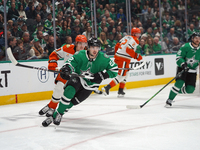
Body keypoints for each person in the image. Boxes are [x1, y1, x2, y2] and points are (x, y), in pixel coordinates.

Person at [42, 37, 118, 127]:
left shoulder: (103, 58)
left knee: (72, 102)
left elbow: (115, 70)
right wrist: (67, 69)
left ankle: (55, 115)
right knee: (69, 91)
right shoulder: (80, 54)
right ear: (89, 47)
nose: (95, 50)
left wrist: (102, 75)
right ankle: (57, 113)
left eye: (97, 48)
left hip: (91, 86)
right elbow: (70, 63)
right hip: (78, 78)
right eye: (93, 47)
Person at [39, 35, 88, 117]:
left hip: (77, 78)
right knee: (59, 88)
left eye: (84, 43)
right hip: (66, 73)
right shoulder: (67, 48)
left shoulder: (88, 54)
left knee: (68, 95)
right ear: (76, 43)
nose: (82, 46)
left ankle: (54, 107)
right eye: (80, 43)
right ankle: (52, 107)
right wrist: (53, 63)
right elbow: (55, 54)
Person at [101, 27, 143, 97]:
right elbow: (128, 50)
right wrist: (137, 56)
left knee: (126, 73)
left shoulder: (126, 37)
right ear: (134, 33)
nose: (139, 35)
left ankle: (120, 90)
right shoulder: (135, 40)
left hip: (119, 57)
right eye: (137, 33)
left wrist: (116, 55)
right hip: (123, 59)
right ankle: (106, 88)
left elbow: (117, 45)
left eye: (139, 33)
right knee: (121, 76)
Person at [165, 33, 200, 107]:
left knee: (190, 90)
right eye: (196, 38)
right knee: (179, 83)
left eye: (199, 38)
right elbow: (179, 57)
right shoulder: (185, 46)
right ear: (192, 39)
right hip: (183, 68)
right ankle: (169, 100)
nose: (198, 40)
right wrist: (183, 64)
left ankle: (176, 91)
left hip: (193, 71)